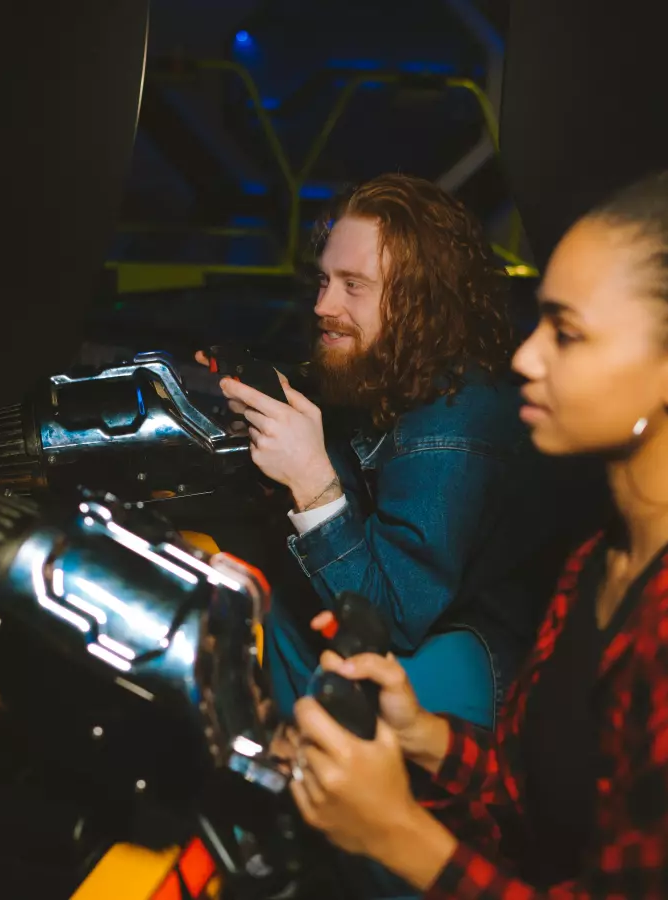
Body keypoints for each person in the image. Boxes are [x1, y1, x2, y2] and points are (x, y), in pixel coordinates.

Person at [281, 168, 668, 898]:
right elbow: (545, 798)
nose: (526, 358)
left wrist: (398, 834)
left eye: (567, 333)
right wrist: (422, 736)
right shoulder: (608, 558)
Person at [202, 173, 586, 731]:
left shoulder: (454, 422)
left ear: (420, 302)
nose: (322, 305)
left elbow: (389, 618)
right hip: (426, 627)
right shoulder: (380, 375)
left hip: (481, 656)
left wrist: (310, 478)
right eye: (324, 280)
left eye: (353, 285)